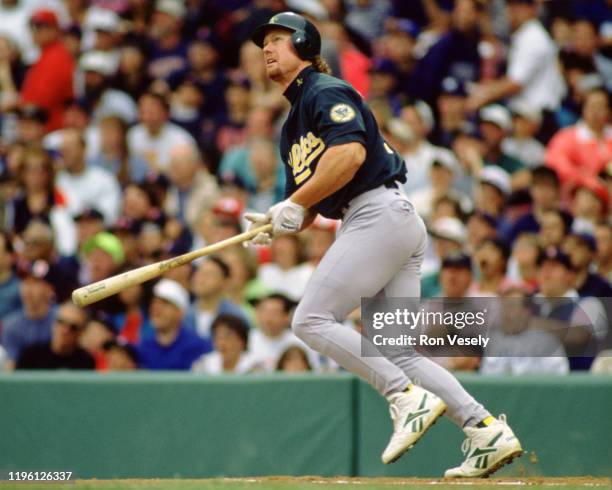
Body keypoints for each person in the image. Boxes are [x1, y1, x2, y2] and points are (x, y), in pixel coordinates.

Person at [247, 12, 521, 477]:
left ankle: (401, 396)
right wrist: (283, 220)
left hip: (377, 214)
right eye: (264, 43)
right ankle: (485, 429)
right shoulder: (292, 124)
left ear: (302, 43)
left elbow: (350, 155)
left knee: (310, 319)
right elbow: (317, 198)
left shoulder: (324, 90)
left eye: (276, 39)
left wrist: (293, 201)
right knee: (397, 349)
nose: (266, 49)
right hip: (383, 219)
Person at [16, 301, 94, 370]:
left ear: (82, 332)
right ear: (53, 323)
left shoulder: (86, 361)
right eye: (61, 322)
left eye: (73, 327)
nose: (65, 330)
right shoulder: (31, 356)